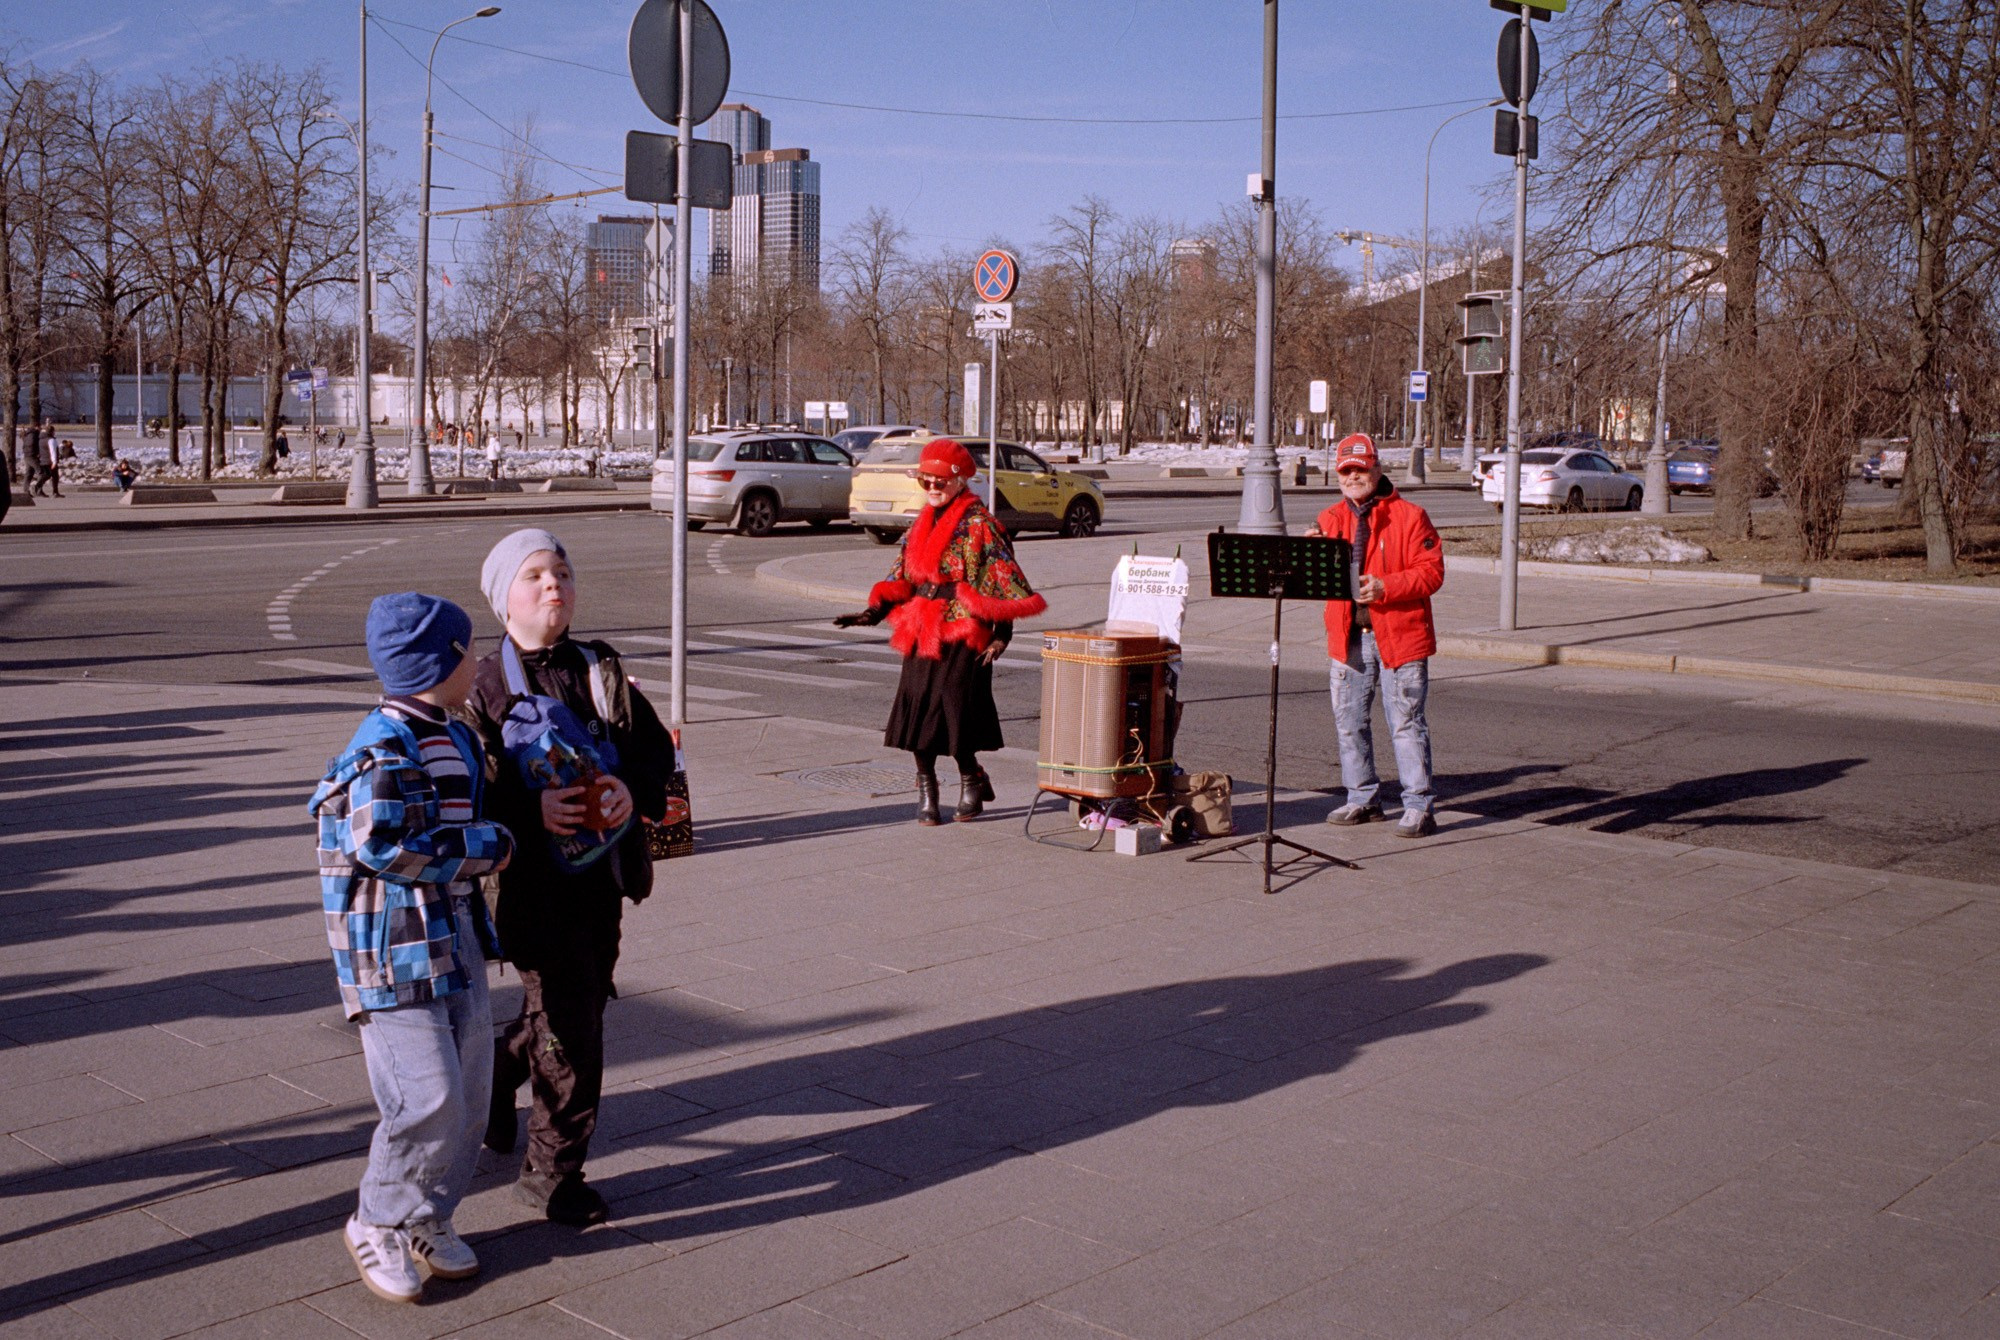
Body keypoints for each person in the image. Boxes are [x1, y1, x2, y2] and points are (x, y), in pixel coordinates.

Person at [466, 528, 677, 1226]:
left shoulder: (599, 666)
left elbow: (651, 753)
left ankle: (503, 1067)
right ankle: (552, 1175)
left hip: (601, 878)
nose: (552, 584)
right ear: (504, 602)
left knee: (579, 1003)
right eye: (533, 576)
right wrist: (532, 810)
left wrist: (626, 786)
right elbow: (466, 790)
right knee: (573, 1026)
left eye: (560, 572)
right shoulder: (482, 684)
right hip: (528, 888)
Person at [308, 593, 514, 1303]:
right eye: (469, 651)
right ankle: (377, 1216)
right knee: (425, 1094)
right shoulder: (381, 745)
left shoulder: (451, 731)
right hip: (391, 947)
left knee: (469, 1093)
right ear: (443, 661)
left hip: (450, 931)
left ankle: (430, 1214)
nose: (477, 661)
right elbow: (381, 845)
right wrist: (488, 849)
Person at [834, 439, 1047, 825]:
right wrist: (873, 611)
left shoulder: (981, 525)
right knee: (918, 708)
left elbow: (1002, 581)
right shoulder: (921, 524)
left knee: (953, 706)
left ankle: (971, 777)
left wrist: (1003, 636)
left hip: (966, 628)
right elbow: (902, 573)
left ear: (960, 480)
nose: (931, 489)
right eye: (925, 481)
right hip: (921, 625)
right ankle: (927, 789)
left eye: (939, 482)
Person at [1310, 432, 1445, 838]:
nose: (1353, 477)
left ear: (1377, 469)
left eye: (1360, 469)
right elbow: (1319, 579)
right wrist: (1309, 557)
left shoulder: (1410, 516)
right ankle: (1362, 798)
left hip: (1399, 637)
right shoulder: (1330, 518)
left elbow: (1432, 572)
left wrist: (1386, 587)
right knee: (1349, 722)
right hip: (1348, 637)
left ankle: (1419, 805)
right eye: (1346, 471)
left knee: (1405, 722)